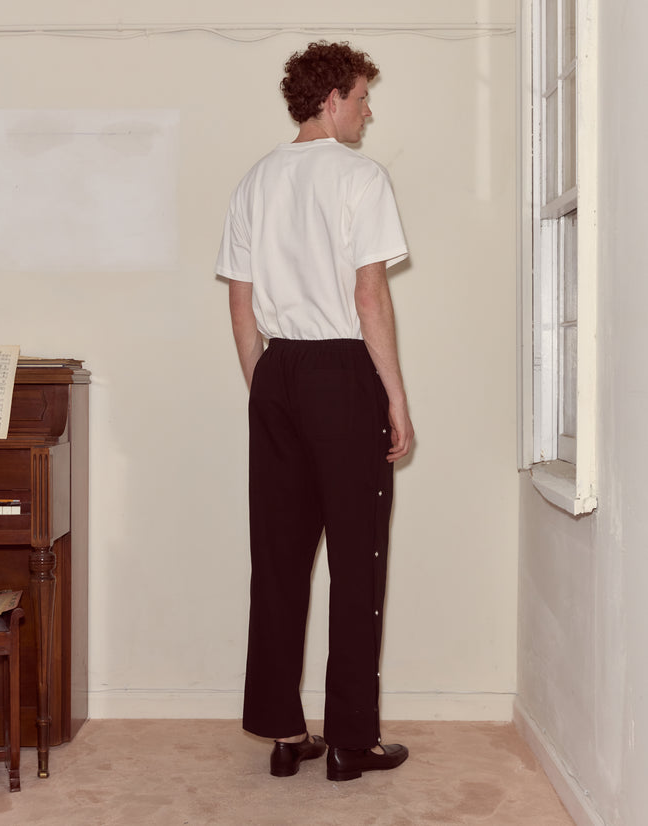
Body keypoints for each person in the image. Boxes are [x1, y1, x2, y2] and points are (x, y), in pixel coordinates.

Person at [216, 40, 414, 782]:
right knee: (357, 560)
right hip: (339, 368)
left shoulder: (254, 180)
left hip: (276, 373)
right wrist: (393, 395)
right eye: (363, 96)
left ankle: (280, 730)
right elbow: (370, 297)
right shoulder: (360, 177)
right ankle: (349, 742)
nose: (369, 111)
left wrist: (265, 385)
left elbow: (240, 303)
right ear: (331, 98)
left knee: (278, 558)